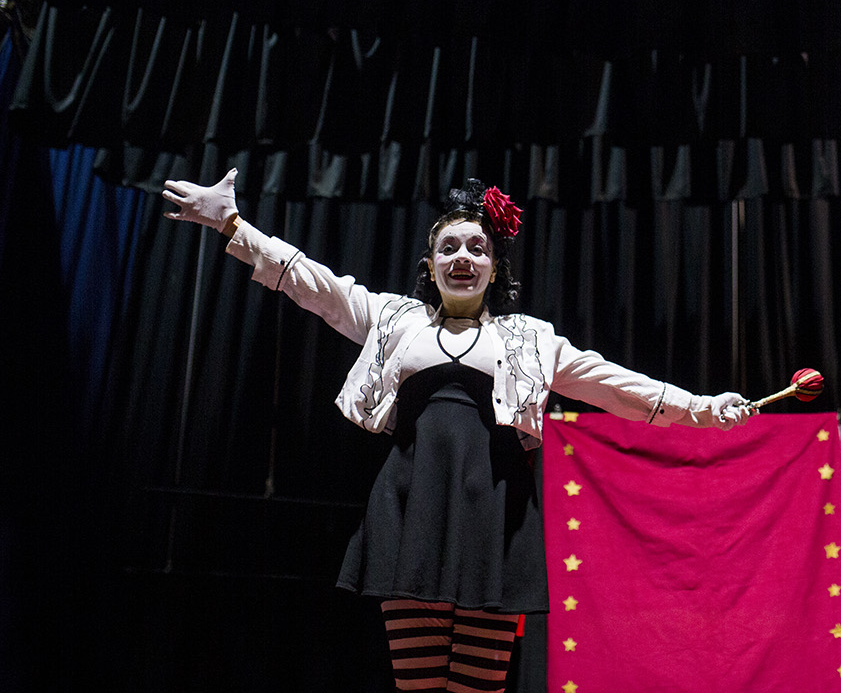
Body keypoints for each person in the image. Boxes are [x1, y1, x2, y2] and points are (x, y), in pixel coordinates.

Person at [161, 171, 756, 693]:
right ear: (431, 264)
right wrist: (233, 226)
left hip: (494, 520)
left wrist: (702, 409)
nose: (463, 257)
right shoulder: (395, 319)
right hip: (410, 514)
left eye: (477, 248)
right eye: (449, 248)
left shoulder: (530, 339)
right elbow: (312, 284)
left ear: (495, 267)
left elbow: (617, 385)